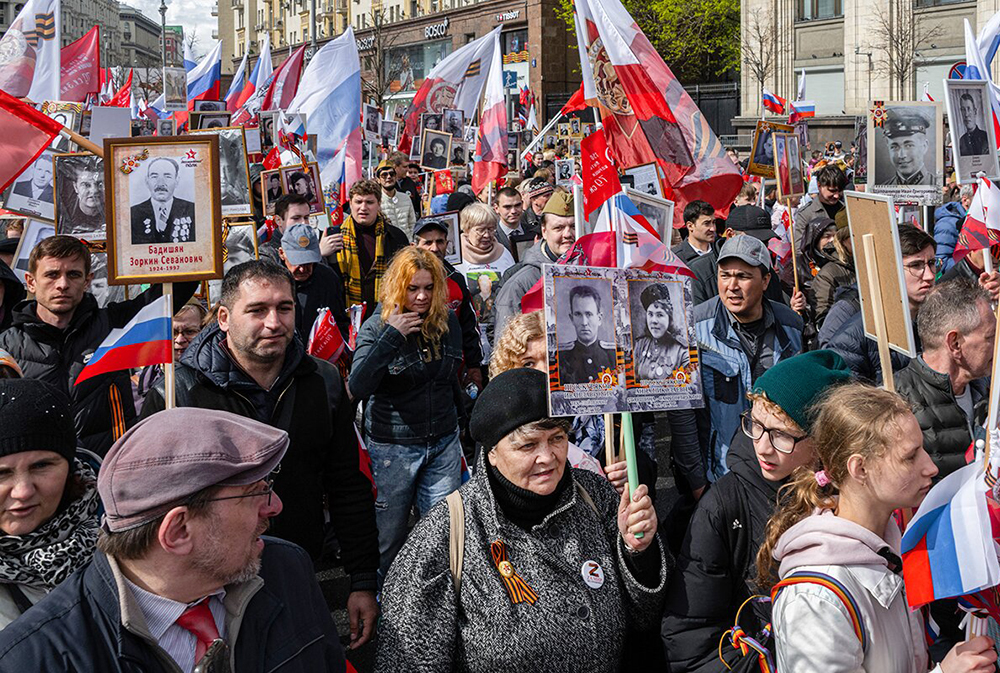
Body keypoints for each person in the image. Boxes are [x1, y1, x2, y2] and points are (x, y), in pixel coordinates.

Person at [140, 261, 380, 648]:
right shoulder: (179, 393)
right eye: (257, 310)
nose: (274, 322)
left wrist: (363, 580)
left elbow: (348, 485)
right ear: (223, 317)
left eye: (284, 308)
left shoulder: (324, 381)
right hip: (209, 582)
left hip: (300, 568)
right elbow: (152, 506)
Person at [0, 407, 350, 671]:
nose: (274, 506)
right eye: (254, 492)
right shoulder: (31, 659)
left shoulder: (287, 569)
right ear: (179, 530)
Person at [375, 368, 669, 672]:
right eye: (528, 445)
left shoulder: (595, 495)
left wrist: (638, 553)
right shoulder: (445, 534)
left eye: (557, 438)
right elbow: (408, 660)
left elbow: (646, 619)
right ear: (491, 452)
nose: (548, 457)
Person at [758, 383, 996, 672]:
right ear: (860, 469)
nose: (930, 467)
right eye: (910, 457)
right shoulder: (815, 599)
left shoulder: (890, 550)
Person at [661, 350, 852, 672]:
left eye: (781, 434)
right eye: (756, 425)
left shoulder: (850, 493)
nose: (762, 446)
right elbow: (689, 638)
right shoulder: (723, 503)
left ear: (822, 439)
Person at [0, 236, 196, 455]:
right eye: (52, 274)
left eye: (73, 274)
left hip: (109, 464)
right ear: (30, 281)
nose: (63, 284)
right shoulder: (6, 346)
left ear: (87, 280)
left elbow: (175, 289)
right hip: (39, 470)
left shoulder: (115, 325)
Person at [348, 247, 465, 580]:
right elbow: (357, 385)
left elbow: (449, 379)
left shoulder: (447, 322)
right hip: (394, 446)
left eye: (428, 288)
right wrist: (392, 337)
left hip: (442, 440)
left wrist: (462, 424)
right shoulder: (377, 327)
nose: (421, 296)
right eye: (413, 288)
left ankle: (434, 603)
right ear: (398, 288)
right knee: (390, 537)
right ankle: (387, 603)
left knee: (442, 532)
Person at [695, 235, 804, 481]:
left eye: (743, 276)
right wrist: (695, 479)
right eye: (725, 275)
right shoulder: (695, 327)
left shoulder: (791, 326)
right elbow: (685, 417)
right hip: (720, 473)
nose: (732, 286)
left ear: (765, 281)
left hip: (780, 468)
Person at [0, 379, 102, 629]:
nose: (23, 492)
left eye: (41, 466)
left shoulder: (124, 540)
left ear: (70, 467)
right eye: (1, 473)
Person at [895, 279, 991, 478]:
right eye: (990, 336)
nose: (997, 343)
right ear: (955, 343)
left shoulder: (990, 389)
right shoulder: (897, 402)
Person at [829, 223, 935, 381]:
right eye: (916, 265)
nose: (929, 276)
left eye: (932, 263)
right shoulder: (850, 342)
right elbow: (849, 402)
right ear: (890, 269)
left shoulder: (939, 322)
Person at [411, 218, 485, 389]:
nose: (434, 248)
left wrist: (474, 367)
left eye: (439, 242)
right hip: (415, 374)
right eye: (427, 242)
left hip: (453, 374)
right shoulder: (403, 281)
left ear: (447, 244)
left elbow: (470, 327)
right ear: (414, 246)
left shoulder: (456, 279)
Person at [494, 191, 576, 333]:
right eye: (559, 228)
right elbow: (506, 345)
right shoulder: (520, 284)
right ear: (544, 231)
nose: (568, 234)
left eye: (573, 226)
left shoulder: (594, 271)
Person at [335, 179, 410, 323]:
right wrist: (322, 253)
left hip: (385, 315)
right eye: (358, 202)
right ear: (350, 204)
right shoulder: (334, 236)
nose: (363, 207)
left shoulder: (396, 237)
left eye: (369, 202)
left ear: (379, 205)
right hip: (346, 317)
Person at [278, 222, 348, 341]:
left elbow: (340, 320)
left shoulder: (327, 278)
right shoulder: (271, 282)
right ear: (282, 254)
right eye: (297, 262)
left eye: (308, 262)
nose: (302, 269)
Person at [558, 284, 617, 385]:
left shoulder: (613, 356)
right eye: (578, 314)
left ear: (599, 318)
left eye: (589, 314)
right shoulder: (561, 358)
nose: (584, 322)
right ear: (571, 318)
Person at [130, 157, 196, 244]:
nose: (160, 183)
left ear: (176, 181)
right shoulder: (133, 213)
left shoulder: (192, 210)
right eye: (154, 176)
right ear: (147, 181)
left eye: (167, 176)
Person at [633, 284, 689, 380]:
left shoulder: (681, 350)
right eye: (650, 314)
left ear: (669, 317)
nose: (654, 320)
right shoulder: (640, 345)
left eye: (659, 315)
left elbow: (691, 388)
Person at [455, 202, 515, 281]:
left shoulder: (503, 253)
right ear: (467, 229)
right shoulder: (457, 257)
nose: (486, 235)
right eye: (480, 230)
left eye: (490, 229)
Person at [882, 109, 932, 185]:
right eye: (894, 147)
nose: (901, 155)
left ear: (924, 146)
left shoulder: (938, 187)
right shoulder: (882, 189)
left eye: (909, 146)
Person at [934, 184, 973, 273]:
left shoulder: (979, 221)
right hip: (960, 282)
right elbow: (942, 263)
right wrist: (973, 262)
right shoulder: (947, 225)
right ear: (965, 200)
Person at [60, 159, 104, 236]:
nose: (94, 190)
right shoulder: (64, 216)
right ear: (75, 187)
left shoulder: (116, 214)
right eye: (86, 185)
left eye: (99, 184)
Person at [376, 159, 417, 239]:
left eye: (392, 174)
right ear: (378, 180)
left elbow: (412, 223)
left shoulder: (405, 198)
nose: (389, 177)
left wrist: (413, 241)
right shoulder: (376, 201)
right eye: (384, 175)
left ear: (396, 177)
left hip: (407, 245)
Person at [492, 186, 528, 255]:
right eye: (507, 207)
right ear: (496, 208)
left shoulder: (533, 232)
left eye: (517, 205)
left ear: (522, 204)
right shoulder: (491, 236)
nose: (513, 211)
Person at [388, 151, 421, 215]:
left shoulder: (410, 182)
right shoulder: (386, 184)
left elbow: (417, 206)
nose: (408, 169)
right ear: (395, 167)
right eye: (405, 167)